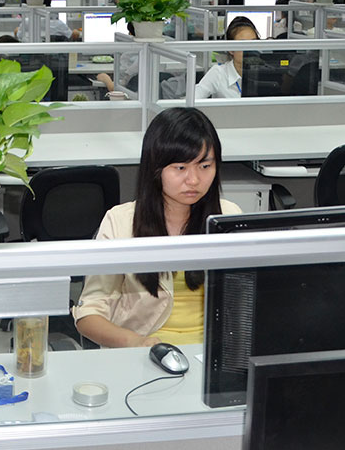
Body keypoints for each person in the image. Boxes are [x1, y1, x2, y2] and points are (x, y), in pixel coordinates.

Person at [73, 108, 241, 348]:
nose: (194, 180)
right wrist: (136, 342)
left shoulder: (228, 217)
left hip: (215, 351)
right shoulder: (121, 222)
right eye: (180, 168)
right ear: (156, 169)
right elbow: (89, 313)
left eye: (205, 166)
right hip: (147, 353)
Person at [195, 17, 259, 99]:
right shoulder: (219, 73)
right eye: (243, 44)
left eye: (254, 42)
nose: (250, 49)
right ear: (231, 49)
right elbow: (193, 98)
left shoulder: (265, 71)